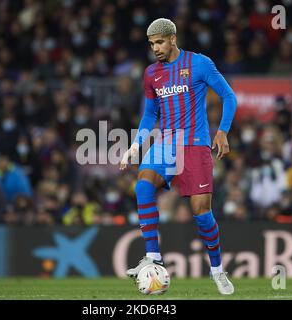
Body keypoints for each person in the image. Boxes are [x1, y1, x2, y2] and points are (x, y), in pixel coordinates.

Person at [120, 18, 237, 295]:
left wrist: (222, 131)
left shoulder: (199, 64)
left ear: (173, 39)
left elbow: (229, 96)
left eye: (159, 42)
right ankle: (153, 257)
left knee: (201, 212)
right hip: (166, 143)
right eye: (151, 44)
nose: (156, 48)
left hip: (195, 145)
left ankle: (217, 270)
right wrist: (136, 145)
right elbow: (150, 114)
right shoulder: (151, 73)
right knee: (143, 184)